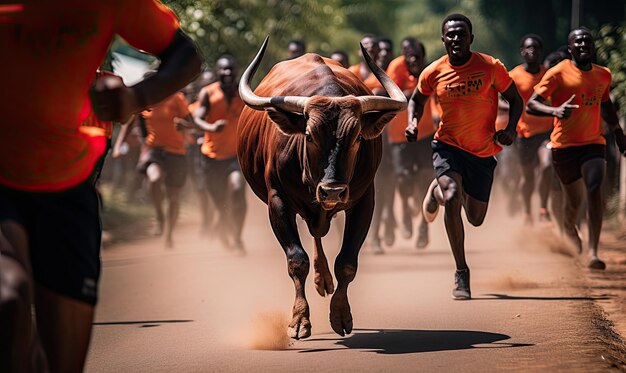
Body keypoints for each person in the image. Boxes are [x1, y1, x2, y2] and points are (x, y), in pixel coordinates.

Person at [0, 2, 202, 372]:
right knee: (9, 298)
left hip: (68, 185)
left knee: (63, 360)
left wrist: (135, 97)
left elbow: (186, 56)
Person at [406, 14, 522, 299]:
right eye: (451, 35)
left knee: (475, 218)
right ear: (443, 39)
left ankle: (436, 188)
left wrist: (510, 130)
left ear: (471, 38)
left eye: (461, 34)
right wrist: (412, 122)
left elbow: (516, 100)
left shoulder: (491, 67)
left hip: (482, 152)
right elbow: (417, 100)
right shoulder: (433, 72)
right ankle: (461, 271)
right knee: (453, 195)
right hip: (448, 146)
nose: (456, 39)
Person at [527, 27, 626, 270]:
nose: (583, 45)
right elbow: (532, 105)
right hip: (564, 146)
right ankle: (570, 228)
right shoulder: (557, 73)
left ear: (592, 48)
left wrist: (618, 134)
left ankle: (593, 251)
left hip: (593, 143)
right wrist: (556, 111)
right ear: (570, 49)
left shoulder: (603, 75)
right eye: (578, 43)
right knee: (572, 202)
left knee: (594, 190)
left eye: (587, 42)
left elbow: (606, 107)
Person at [113, 86, 192, 248]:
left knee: (174, 197)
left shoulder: (176, 98)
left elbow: (190, 121)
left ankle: (169, 233)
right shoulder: (144, 100)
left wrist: (185, 125)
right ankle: (159, 217)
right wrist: (119, 145)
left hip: (176, 152)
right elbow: (128, 123)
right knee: (154, 179)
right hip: (154, 149)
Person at [186, 55, 247, 252]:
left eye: (230, 69)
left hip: (235, 156)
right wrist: (211, 128)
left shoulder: (244, 92)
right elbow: (197, 118)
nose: (227, 73)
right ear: (217, 71)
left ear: (236, 71)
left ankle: (237, 238)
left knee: (237, 189)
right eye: (223, 69)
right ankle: (223, 228)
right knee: (220, 204)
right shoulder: (208, 93)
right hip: (210, 157)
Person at [386, 37, 438, 248]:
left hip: (425, 133)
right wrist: (414, 94)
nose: (413, 60)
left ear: (423, 57)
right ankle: (406, 208)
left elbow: (435, 98)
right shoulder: (396, 67)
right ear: (404, 56)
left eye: (417, 56)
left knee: (427, 177)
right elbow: (393, 94)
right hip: (400, 136)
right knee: (403, 176)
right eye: (410, 56)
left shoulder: (430, 71)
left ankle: (424, 227)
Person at [507, 34, 555, 225]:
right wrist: (517, 109)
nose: (532, 51)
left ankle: (543, 209)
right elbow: (503, 101)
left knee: (547, 165)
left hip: (546, 132)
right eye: (528, 48)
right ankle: (527, 212)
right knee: (527, 178)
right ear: (522, 51)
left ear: (541, 51)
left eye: (536, 47)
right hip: (524, 134)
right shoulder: (514, 75)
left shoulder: (549, 74)